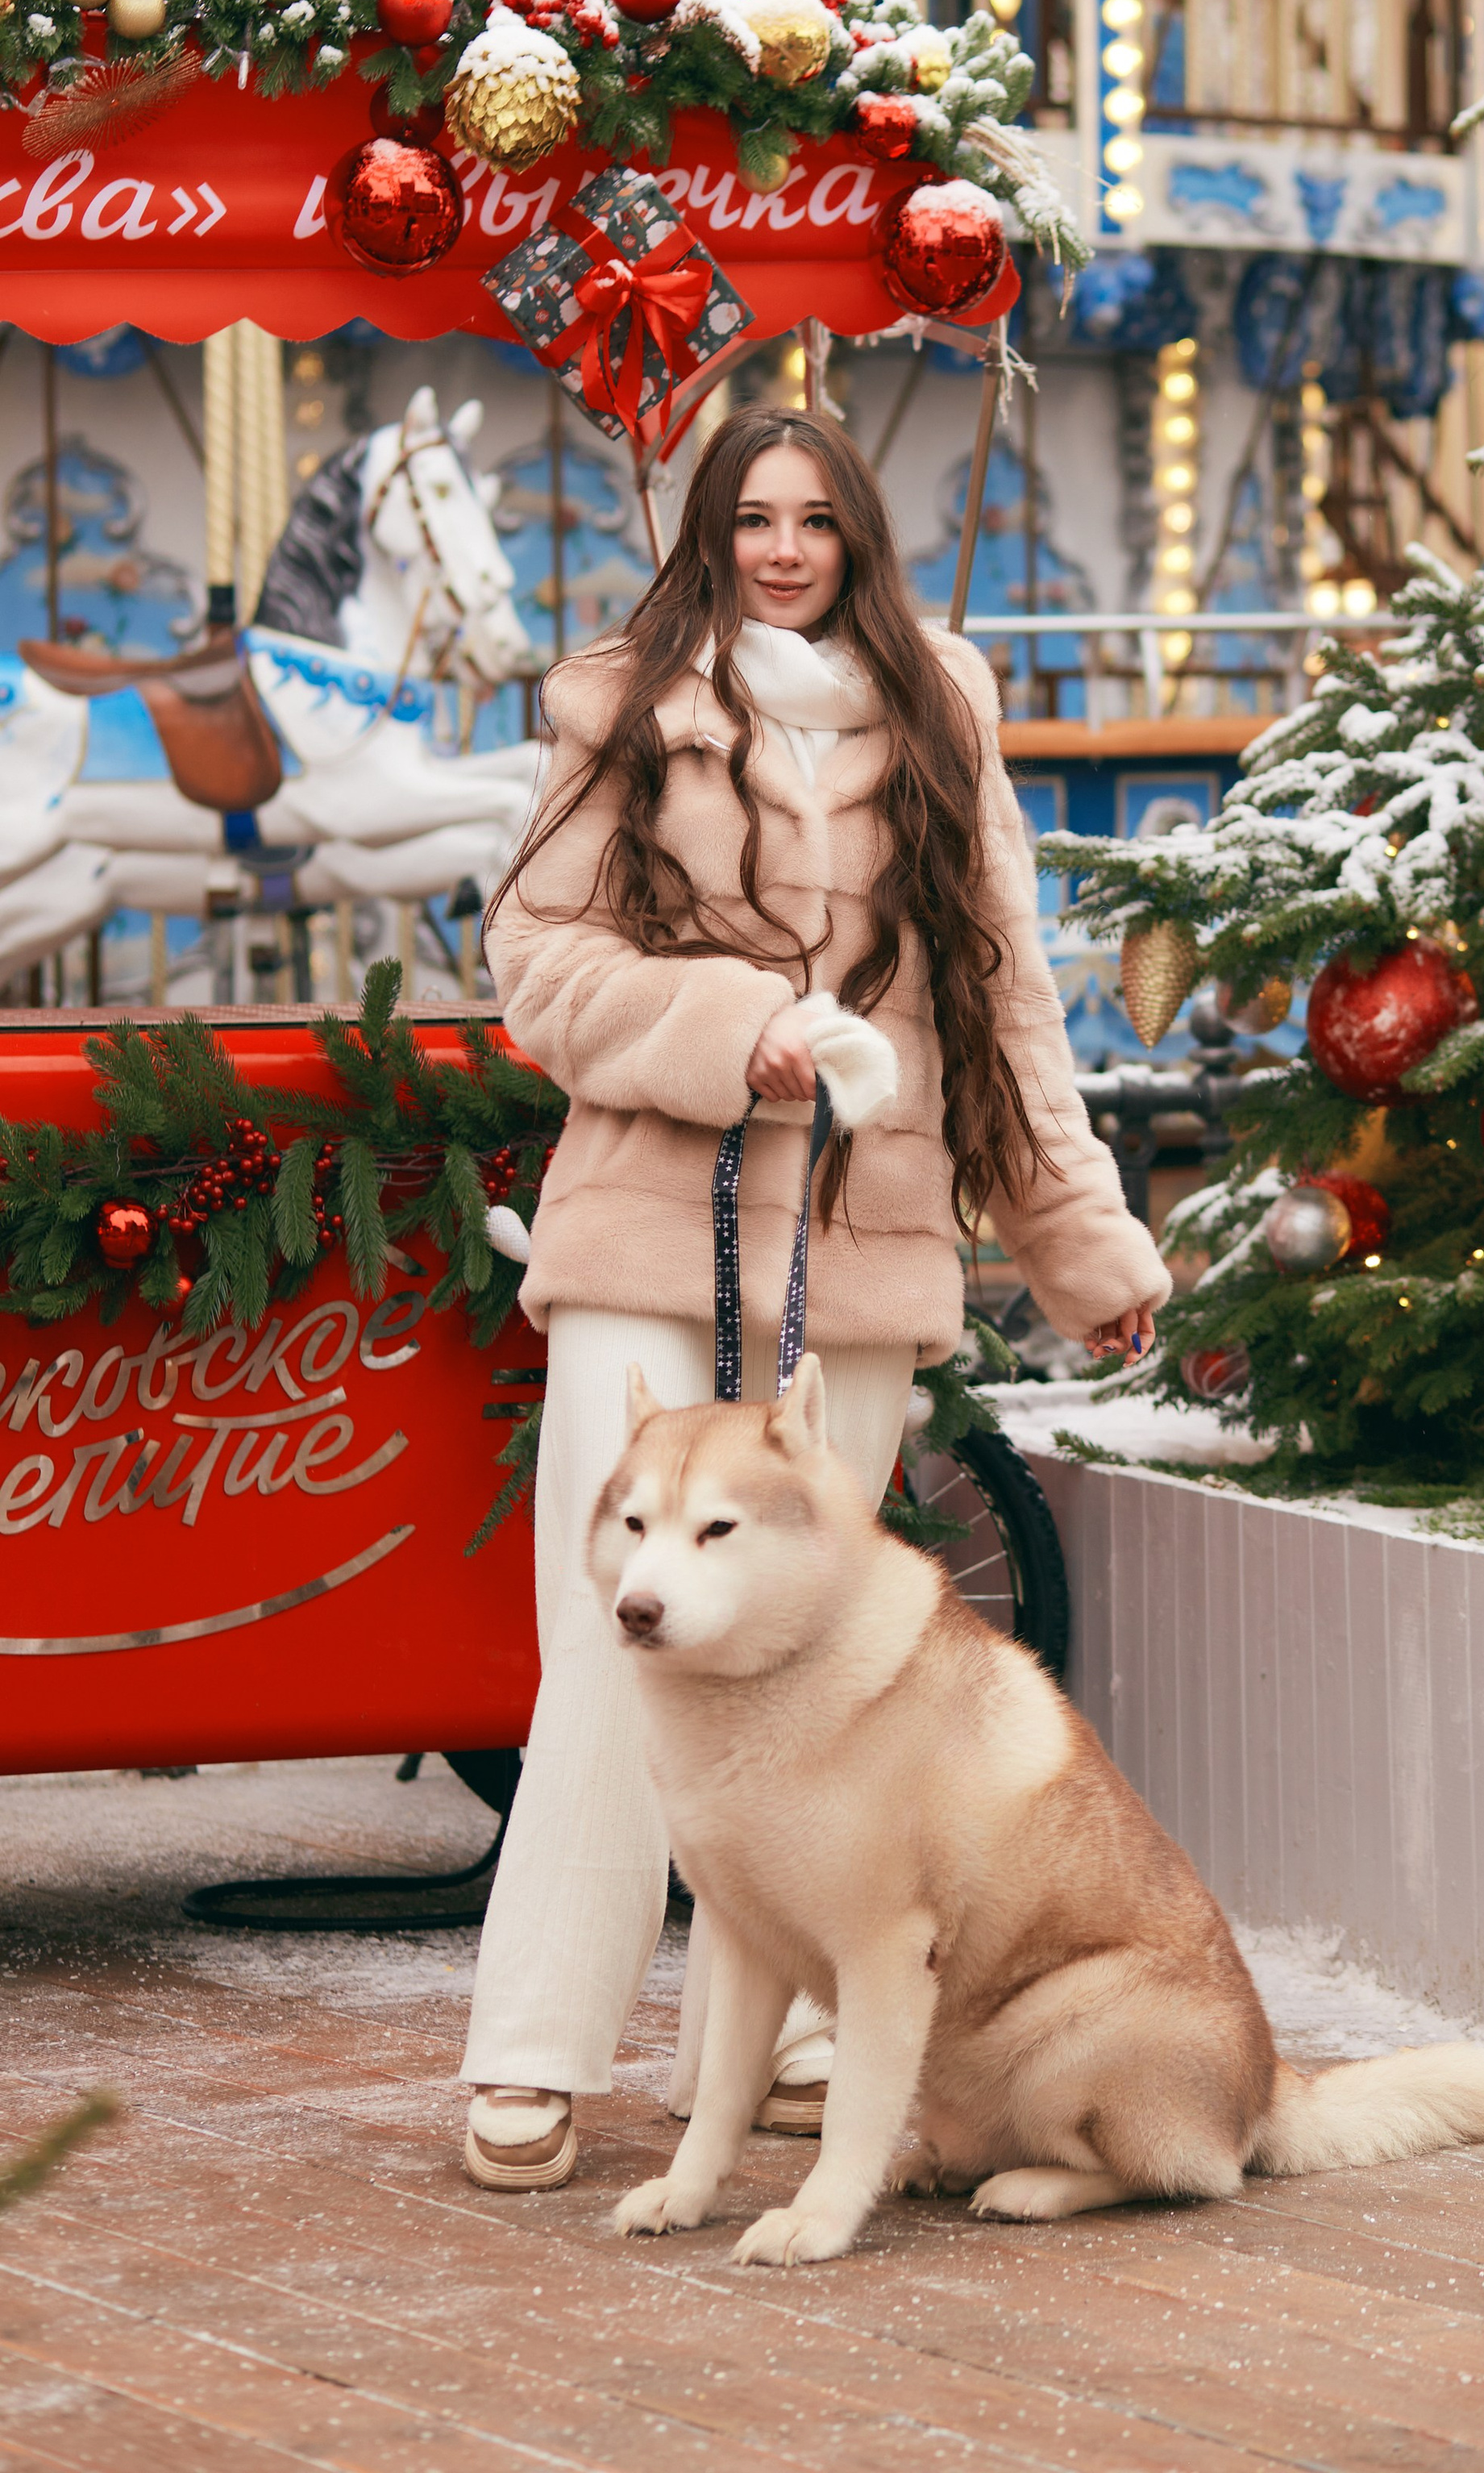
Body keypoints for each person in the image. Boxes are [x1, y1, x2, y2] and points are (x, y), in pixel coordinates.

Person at [459, 405, 1169, 2191]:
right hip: (643, 1227)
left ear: (857, 536)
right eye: (751, 518)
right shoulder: (625, 701)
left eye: (813, 521)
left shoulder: (943, 706)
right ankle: (536, 2048)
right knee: (617, 1651)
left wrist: (1080, 1249)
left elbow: (1003, 1007)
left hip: (852, 1258)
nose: (781, 548)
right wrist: (734, 1035)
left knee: (806, 1679)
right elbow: (537, 965)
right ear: (710, 532)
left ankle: (758, 2045)